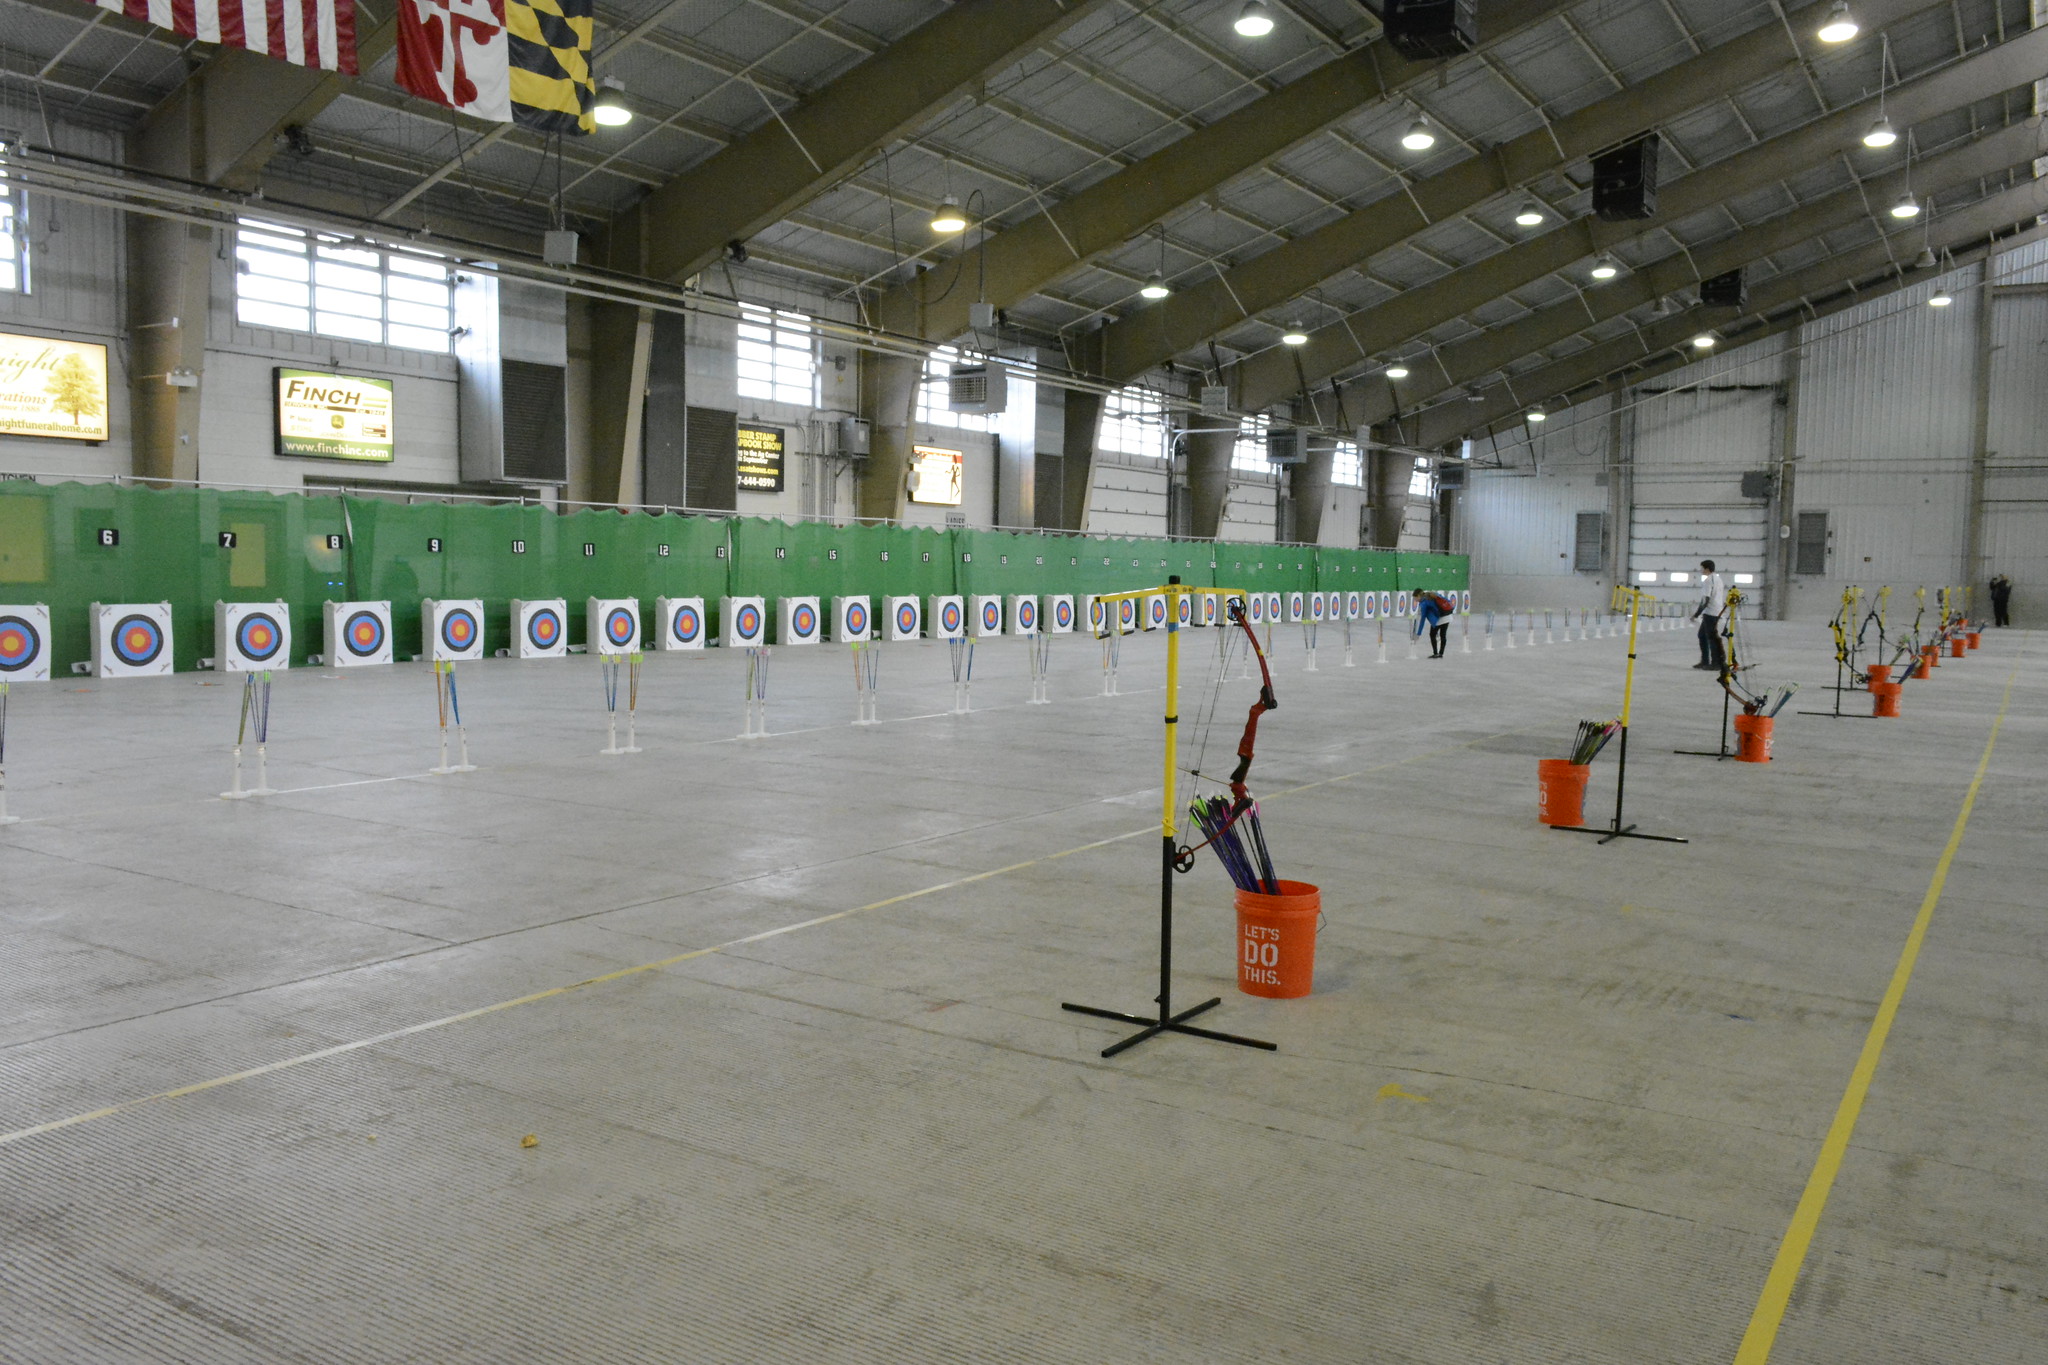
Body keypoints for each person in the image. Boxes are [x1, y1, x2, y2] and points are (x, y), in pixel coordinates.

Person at [1691, 559, 1727, 671]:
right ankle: (1705, 661)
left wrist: (1696, 614)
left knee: (1711, 638)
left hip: (1710, 612)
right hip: (1716, 611)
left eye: (1702, 568)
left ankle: (1715, 663)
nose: (1701, 570)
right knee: (1702, 635)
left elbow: (1705, 600)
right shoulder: (1718, 579)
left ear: (1707, 569)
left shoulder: (1708, 580)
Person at [1412, 588, 1454, 658]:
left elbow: (1423, 618)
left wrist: (1419, 633)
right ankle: (1441, 653)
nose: (1415, 600)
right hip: (1448, 616)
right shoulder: (1433, 594)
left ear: (1419, 596)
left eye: (1415, 598)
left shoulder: (1424, 603)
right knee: (1443, 635)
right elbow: (1448, 601)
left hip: (1438, 620)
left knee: (1432, 635)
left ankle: (1435, 653)